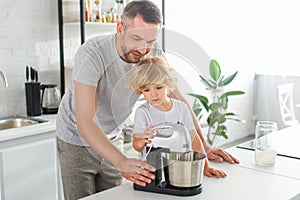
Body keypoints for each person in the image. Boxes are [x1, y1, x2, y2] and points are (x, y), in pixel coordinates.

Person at [56, 0, 238, 199]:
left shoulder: (152, 52)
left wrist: (205, 148)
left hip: (112, 137)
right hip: (75, 140)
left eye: (150, 42)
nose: (143, 49)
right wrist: (121, 162)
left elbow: (179, 101)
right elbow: (85, 121)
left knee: (115, 196)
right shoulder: (93, 53)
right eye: (136, 38)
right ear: (120, 28)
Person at [128, 56, 226, 178]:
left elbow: (194, 139)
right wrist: (142, 140)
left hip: (179, 164)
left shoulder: (181, 108)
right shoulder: (142, 112)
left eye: (159, 87)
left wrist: (205, 166)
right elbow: (136, 145)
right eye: (146, 90)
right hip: (153, 168)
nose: (153, 94)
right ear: (140, 90)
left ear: (168, 85)